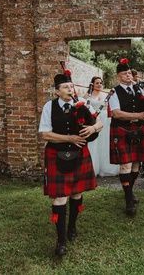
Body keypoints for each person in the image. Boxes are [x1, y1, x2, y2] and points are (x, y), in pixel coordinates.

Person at [39, 69, 103, 256]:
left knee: (76, 194)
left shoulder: (82, 104)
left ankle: (72, 227)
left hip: (79, 154)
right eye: (66, 87)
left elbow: (99, 123)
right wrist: (70, 138)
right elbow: (45, 134)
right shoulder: (49, 107)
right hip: (56, 153)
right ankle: (60, 241)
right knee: (60, 197)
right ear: (57, 91)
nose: (70, 89)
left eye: (71, 86)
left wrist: (92, 127)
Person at [109, 58, 144, 216]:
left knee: (136, 163)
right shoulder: (114, 92)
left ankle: (129, 192)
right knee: (125, 166)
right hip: (122, 129)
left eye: (130, 73)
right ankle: (129, 199)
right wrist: (139, 115)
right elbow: (116, 113)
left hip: (139, 129)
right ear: (119, 76)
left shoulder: (140, 89)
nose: (128, 75)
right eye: (124, 74)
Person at [84, 77, 119, 176]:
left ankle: (107, 167)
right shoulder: (88, 95)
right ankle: (93, 167)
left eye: (101, 83)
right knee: (94, 143)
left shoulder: (106, 95)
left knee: (105, 143)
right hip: (94, 121)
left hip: (105, 121)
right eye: (97, 83)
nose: (99, 85)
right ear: (92, 84)